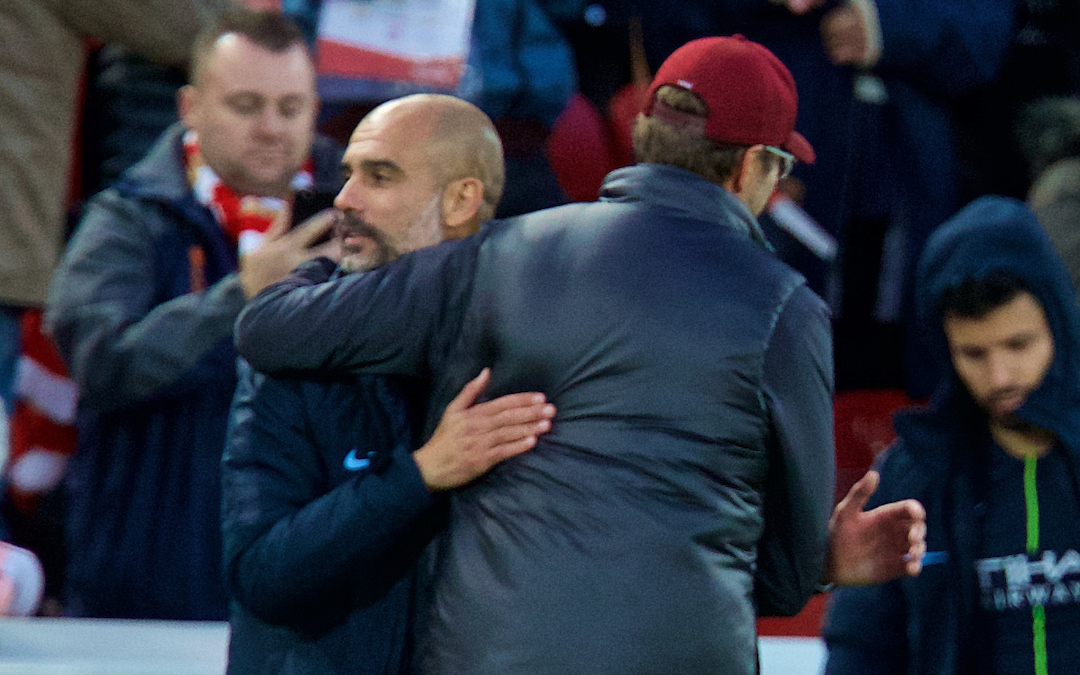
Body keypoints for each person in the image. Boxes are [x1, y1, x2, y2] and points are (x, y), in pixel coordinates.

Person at [235, 36, 927, 674]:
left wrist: (312, 268)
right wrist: (822, 561)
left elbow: (268, 330)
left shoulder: (501, 255)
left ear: (643, 136)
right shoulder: (788, 308)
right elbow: (779, 577)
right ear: (752, 168)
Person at [221, 94, 559, 674]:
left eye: (379, 177)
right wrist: (423, 474)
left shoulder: (535, 348)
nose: (345, 200)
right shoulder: (295, 346)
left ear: (461, 200)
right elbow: (262, 574)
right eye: (348, 173)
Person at [44, 8, 338, 620]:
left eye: (291, 108)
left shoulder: (365, 210)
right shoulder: (127, 219)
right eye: (246, 105)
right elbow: (103, 366)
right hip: (152, 591)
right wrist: (243, 297)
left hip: (308, 589)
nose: (271, 128)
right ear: (190, 109)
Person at [824, 195, 1080, 674]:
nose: (1001, 375)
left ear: (1060, 325)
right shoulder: (912, 476)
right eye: (973, 354)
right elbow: (861, 647)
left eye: (1019, 345)